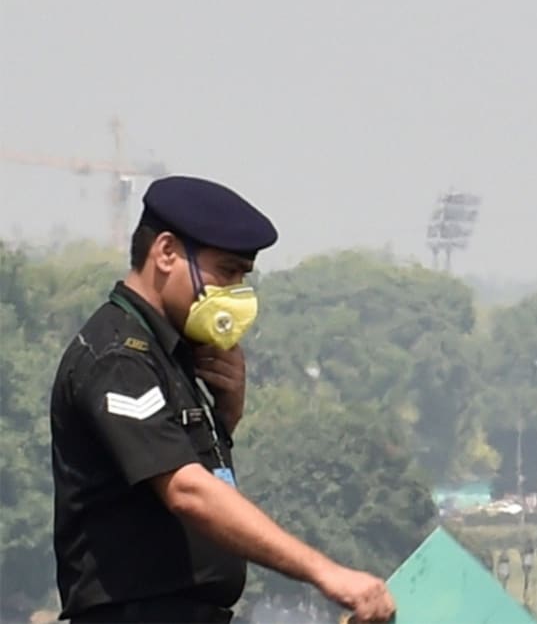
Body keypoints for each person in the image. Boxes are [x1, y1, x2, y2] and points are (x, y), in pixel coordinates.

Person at [49, 175, 396, 623]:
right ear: (167, 252)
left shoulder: (173, 355)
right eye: (226, 272)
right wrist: (326, 573)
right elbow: (187, 490)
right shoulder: (119, 357)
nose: (234, 293)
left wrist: (224, 419)